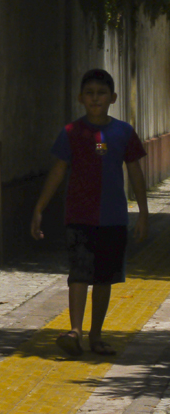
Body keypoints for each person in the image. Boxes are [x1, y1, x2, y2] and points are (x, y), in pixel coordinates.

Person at [30, 68, 148, 356]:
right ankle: (76, 331)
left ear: (113, 98)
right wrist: (39, 209)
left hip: (114, 218)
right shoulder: (71, 133)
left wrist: (144, 213)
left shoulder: (124, 133)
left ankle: (96, 336)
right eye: (90, 93)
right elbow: (58, 172)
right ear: (81, 98)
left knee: (105, 279)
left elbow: (135, 172)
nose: (96, 98)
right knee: (79, 274)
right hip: (79, 216)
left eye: (102, 93)